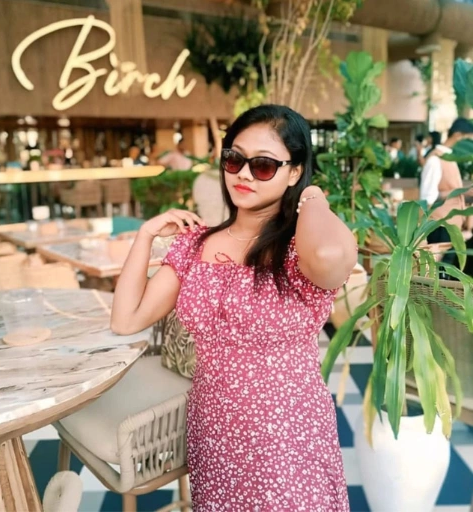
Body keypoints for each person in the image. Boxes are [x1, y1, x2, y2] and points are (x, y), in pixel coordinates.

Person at [111, 105, 357, 511]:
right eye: (234, 159)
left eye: (263, 165)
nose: (243, 174)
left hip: (287, 435)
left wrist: (311, 194)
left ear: (294, 171)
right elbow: (126, 320)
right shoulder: (194, 245)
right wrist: (145, 235)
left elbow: (331, 256)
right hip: (214, 431)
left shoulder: (298, 251)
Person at [420, 118, 473, 247]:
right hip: (440, 226)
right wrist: (463, 192)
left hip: (450, 226)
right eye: (468, 140)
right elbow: (428, 198)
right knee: (439, 260)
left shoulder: (449, 157)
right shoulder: (435, 160)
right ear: (457, 135)